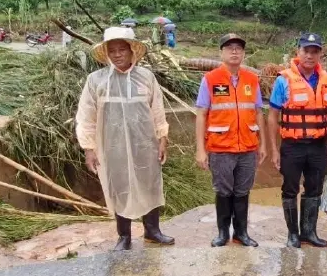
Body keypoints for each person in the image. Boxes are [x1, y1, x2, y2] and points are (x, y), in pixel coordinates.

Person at [75, 26, 176, 251]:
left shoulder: (146, 77)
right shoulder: (96, 81)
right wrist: (88, 148)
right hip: (112, 146)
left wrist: (162, 138)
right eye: (113, 50)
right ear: (107, 54)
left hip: (145, 144)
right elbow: (86, 116)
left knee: (149, 184)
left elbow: (158, 110)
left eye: (122, 49)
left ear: (132, 51)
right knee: (118, 186)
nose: (118, 54)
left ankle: (152, 231)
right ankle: (124, 236)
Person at [195, 33, 265, 247]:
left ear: (243, 53)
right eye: (229, 47)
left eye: (238, 48)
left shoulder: (252, 80)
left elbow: (258, 112)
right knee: (224, 191)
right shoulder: (210, 79)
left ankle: (241, 232)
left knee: (243, 191)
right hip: (220, 148)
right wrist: (200, 149)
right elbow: (201, 114)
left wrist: (262, 144)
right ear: (221, 53)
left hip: (247, 147)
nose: (234, 51)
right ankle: (223, 232)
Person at [267, 32, 327, 248]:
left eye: (315, 51)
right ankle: (292, 234)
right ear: (298, 52)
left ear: (320, 54)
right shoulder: (283, 80)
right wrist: (274, 149)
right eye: (306, 51)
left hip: (318, 145)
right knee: (290, 189)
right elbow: (272, 116)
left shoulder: (326, 80)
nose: (310, 55)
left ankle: (309, 232)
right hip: (292, 146)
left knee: (314, 188)